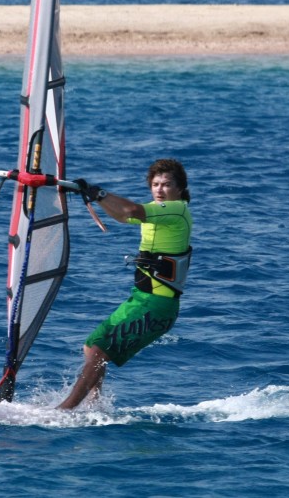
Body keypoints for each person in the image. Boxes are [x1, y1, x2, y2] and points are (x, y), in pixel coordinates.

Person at [58, 158, 192, 410]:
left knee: (99, 352)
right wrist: (91, 195)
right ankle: (94, 407)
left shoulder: (177, 209)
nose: (160, 190)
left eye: (166, 184)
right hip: (141, 299)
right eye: (155, 184)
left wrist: (99, 192)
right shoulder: (157, 211)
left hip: (157, 304)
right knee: (91, 346)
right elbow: (122, 216)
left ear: (180, 189)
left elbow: (130, 210)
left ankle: (64, 410)